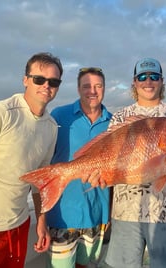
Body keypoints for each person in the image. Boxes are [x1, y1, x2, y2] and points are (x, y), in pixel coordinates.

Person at [104, 58, 166, 268]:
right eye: (142, 77)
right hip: (126, 211)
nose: (148, 81)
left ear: (161, 81)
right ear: (134, 82)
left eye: (154, 76)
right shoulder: (121, 117)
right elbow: (107, 157)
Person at [0, 52, 63, 268]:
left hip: (20, 224)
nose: (46, 85)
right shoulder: (2, 113)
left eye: (53, 81)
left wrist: (41, 222)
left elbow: (40, 182)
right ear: (25, 80)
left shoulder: (51, 127)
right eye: (39, 79)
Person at [46, 67, 112, 268]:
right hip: (62, 214)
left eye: (98, 86)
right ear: (78, 89)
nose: (92, 91)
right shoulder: (59, 115)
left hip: (97, 214)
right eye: (86, 86)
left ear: (104, 88)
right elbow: (44, 157)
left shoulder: (113, 122)